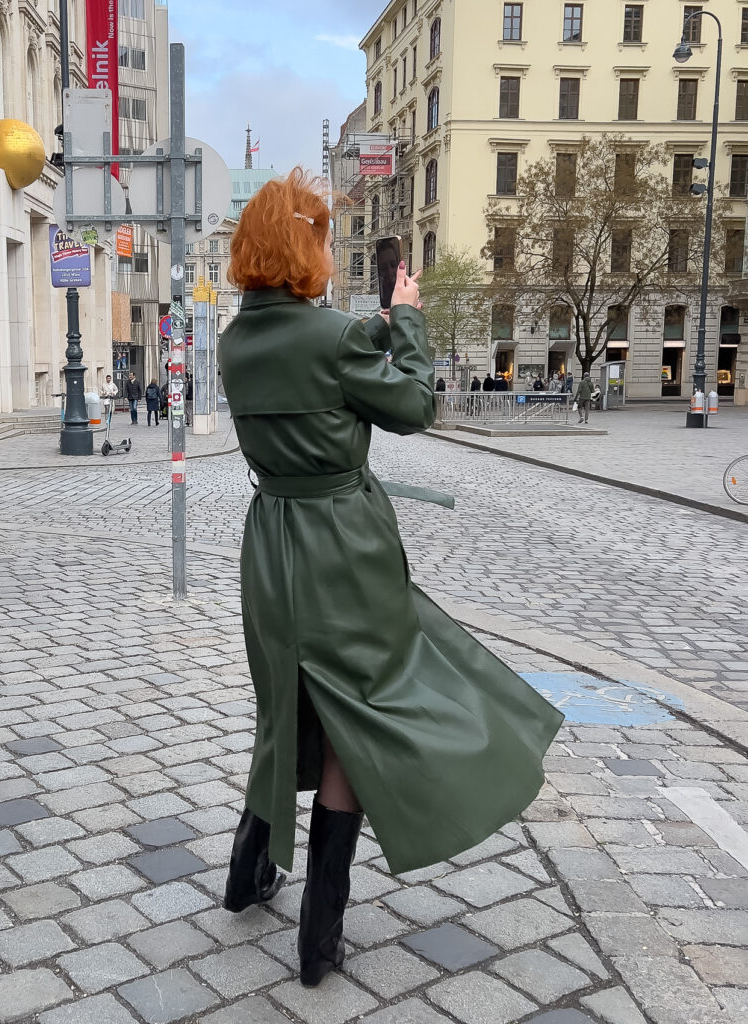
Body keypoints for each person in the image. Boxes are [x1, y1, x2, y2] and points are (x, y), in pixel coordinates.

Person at [216, 168, 562, 989]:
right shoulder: (333, 337)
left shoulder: (235, 341)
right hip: (345, 550)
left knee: (285, 702)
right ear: (303, 247)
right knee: (358, 714)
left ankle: (247, 873)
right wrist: (404, 320)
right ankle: (320, 932)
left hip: (271, 546)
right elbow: (410, 408)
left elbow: (312, 372)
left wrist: (364, 331)